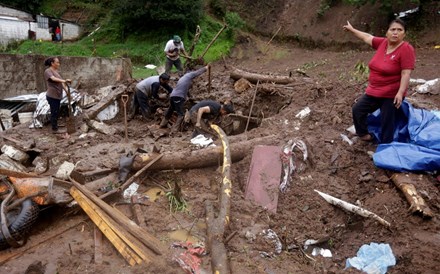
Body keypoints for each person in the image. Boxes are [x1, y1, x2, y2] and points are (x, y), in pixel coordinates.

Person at [343, 18, 415, 143]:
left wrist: (400, 92)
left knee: (387, 121)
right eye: (393, 29)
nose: (395, 33)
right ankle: (365, 135)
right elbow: (367, 37)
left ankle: (386, 148)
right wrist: (352, 30)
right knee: (358, 109)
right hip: (374, 90)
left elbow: (406, 73)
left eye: (399, 30)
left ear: (404, 34)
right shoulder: (383, 43)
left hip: (391, 93)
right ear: (387, 32)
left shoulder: (406, 49)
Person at [160, 65, 210, 132]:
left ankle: (162, 124)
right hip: (178, 97)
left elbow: (185, 90)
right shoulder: (189, 75)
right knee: (181, 114)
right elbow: (198, 72)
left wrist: (190, 97)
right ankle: (174, 130)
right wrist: (206, 68)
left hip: (173, 96)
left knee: (170, 110)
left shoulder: (183, 79)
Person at [43, 57, 71, 133]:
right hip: (52, 95)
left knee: (56, 111)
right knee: (54, 111)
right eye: (57, 62)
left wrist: (67, 92)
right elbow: (53, 79)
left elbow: (61, 83)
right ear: (52, 63)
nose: (59, 64)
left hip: (57, 95)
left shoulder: (56, 72)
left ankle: (55, 125)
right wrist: (64, 80)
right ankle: (54, 129)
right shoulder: (48, 71)